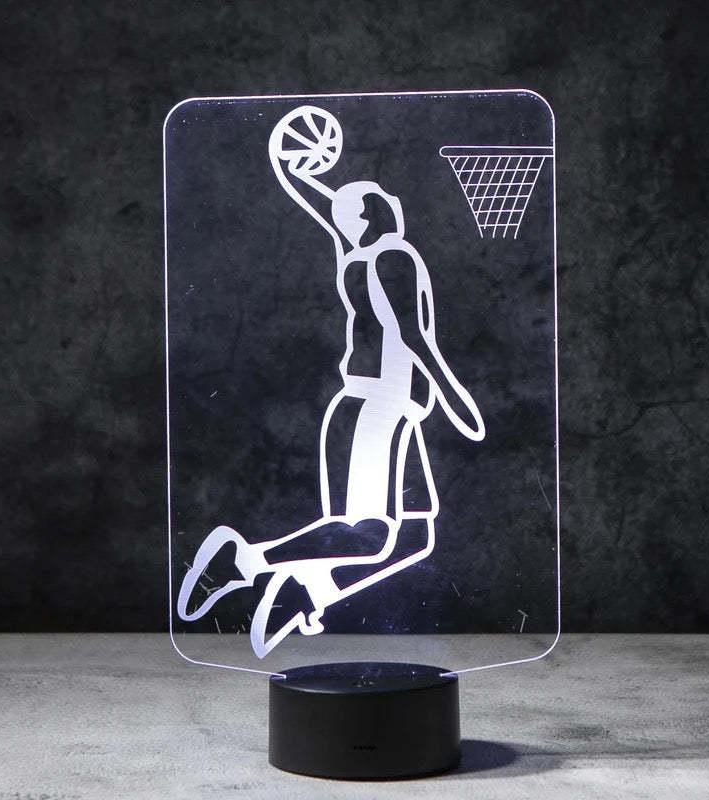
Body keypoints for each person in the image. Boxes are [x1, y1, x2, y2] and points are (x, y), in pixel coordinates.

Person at [177, 109, 485, 657]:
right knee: (369, 536)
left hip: (389, 413)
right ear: (369, 219)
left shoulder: (359, 255)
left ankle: (304, 592)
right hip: (378, 410)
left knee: (414, 539)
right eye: (375, 200)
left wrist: (294, 172)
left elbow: (330, 213)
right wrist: (455, 397)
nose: (389, 198)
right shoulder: (392, 255)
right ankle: (245, 560)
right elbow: (413, 334)